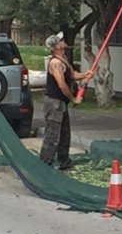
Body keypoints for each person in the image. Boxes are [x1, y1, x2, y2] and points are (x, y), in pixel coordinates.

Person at [39, 32, 91, 170]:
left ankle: (64, 162)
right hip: (54, 103)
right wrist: (74, 98)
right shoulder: (55, 63)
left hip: (61, 103)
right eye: (60, 40)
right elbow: (62, 85)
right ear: (56, 46)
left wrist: (84, 75)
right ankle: (44, 164)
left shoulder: (63, 59)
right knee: (52, 135)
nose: (63, 41)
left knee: (64, 134)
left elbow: (71, 74)